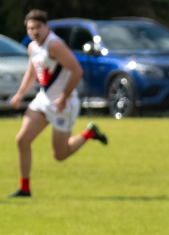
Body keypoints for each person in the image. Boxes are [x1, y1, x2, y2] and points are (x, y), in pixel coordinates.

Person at [9, 9, 107, 197]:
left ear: (46, 27)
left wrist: (63, 97)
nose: (34, 32)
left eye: (38, 27)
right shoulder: (32, 47)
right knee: (22, 140)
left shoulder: (54, 45)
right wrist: (20, 94)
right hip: (43, 101)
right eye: (30, 28)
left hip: (64, 104)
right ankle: (24, 189)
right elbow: (32, 73)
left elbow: (77, 71)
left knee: (60, 155)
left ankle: (89, 133)